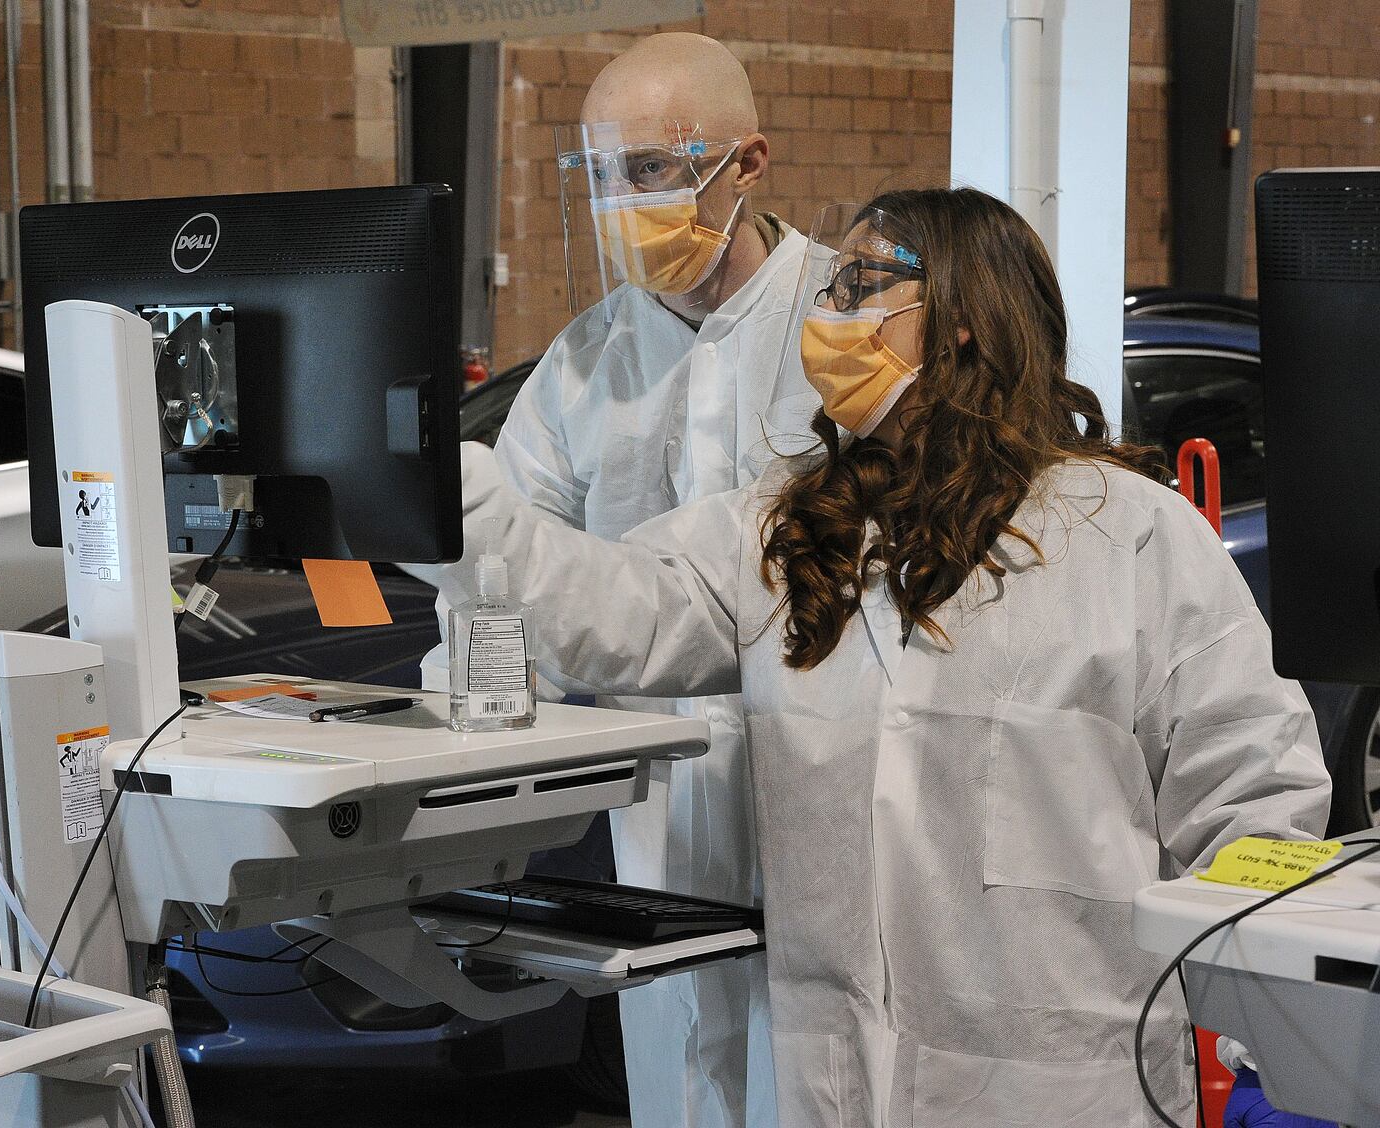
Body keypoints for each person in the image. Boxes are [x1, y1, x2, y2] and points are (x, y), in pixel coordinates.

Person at [427, 187, 1332, 1126]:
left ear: (970, 320)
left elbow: (1250, 786)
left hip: (1061, 1082)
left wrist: (1269, 1031)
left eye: (862, 285)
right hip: (837, 1076)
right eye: (829, 290)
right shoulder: (784, 532)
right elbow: (606, 611)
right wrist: (443, 498)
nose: (827, 317)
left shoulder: (1131, 533)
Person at [424, 31, 811, 1128]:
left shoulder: (837, 323)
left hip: (821, 778)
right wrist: (471, 728)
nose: (624, 203)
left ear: (748, 163)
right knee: (679, 1066)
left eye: (654, 170)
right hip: (655, 799)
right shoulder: (589, 355)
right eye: (602, 175)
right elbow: (503, 571)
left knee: (809, 1074)